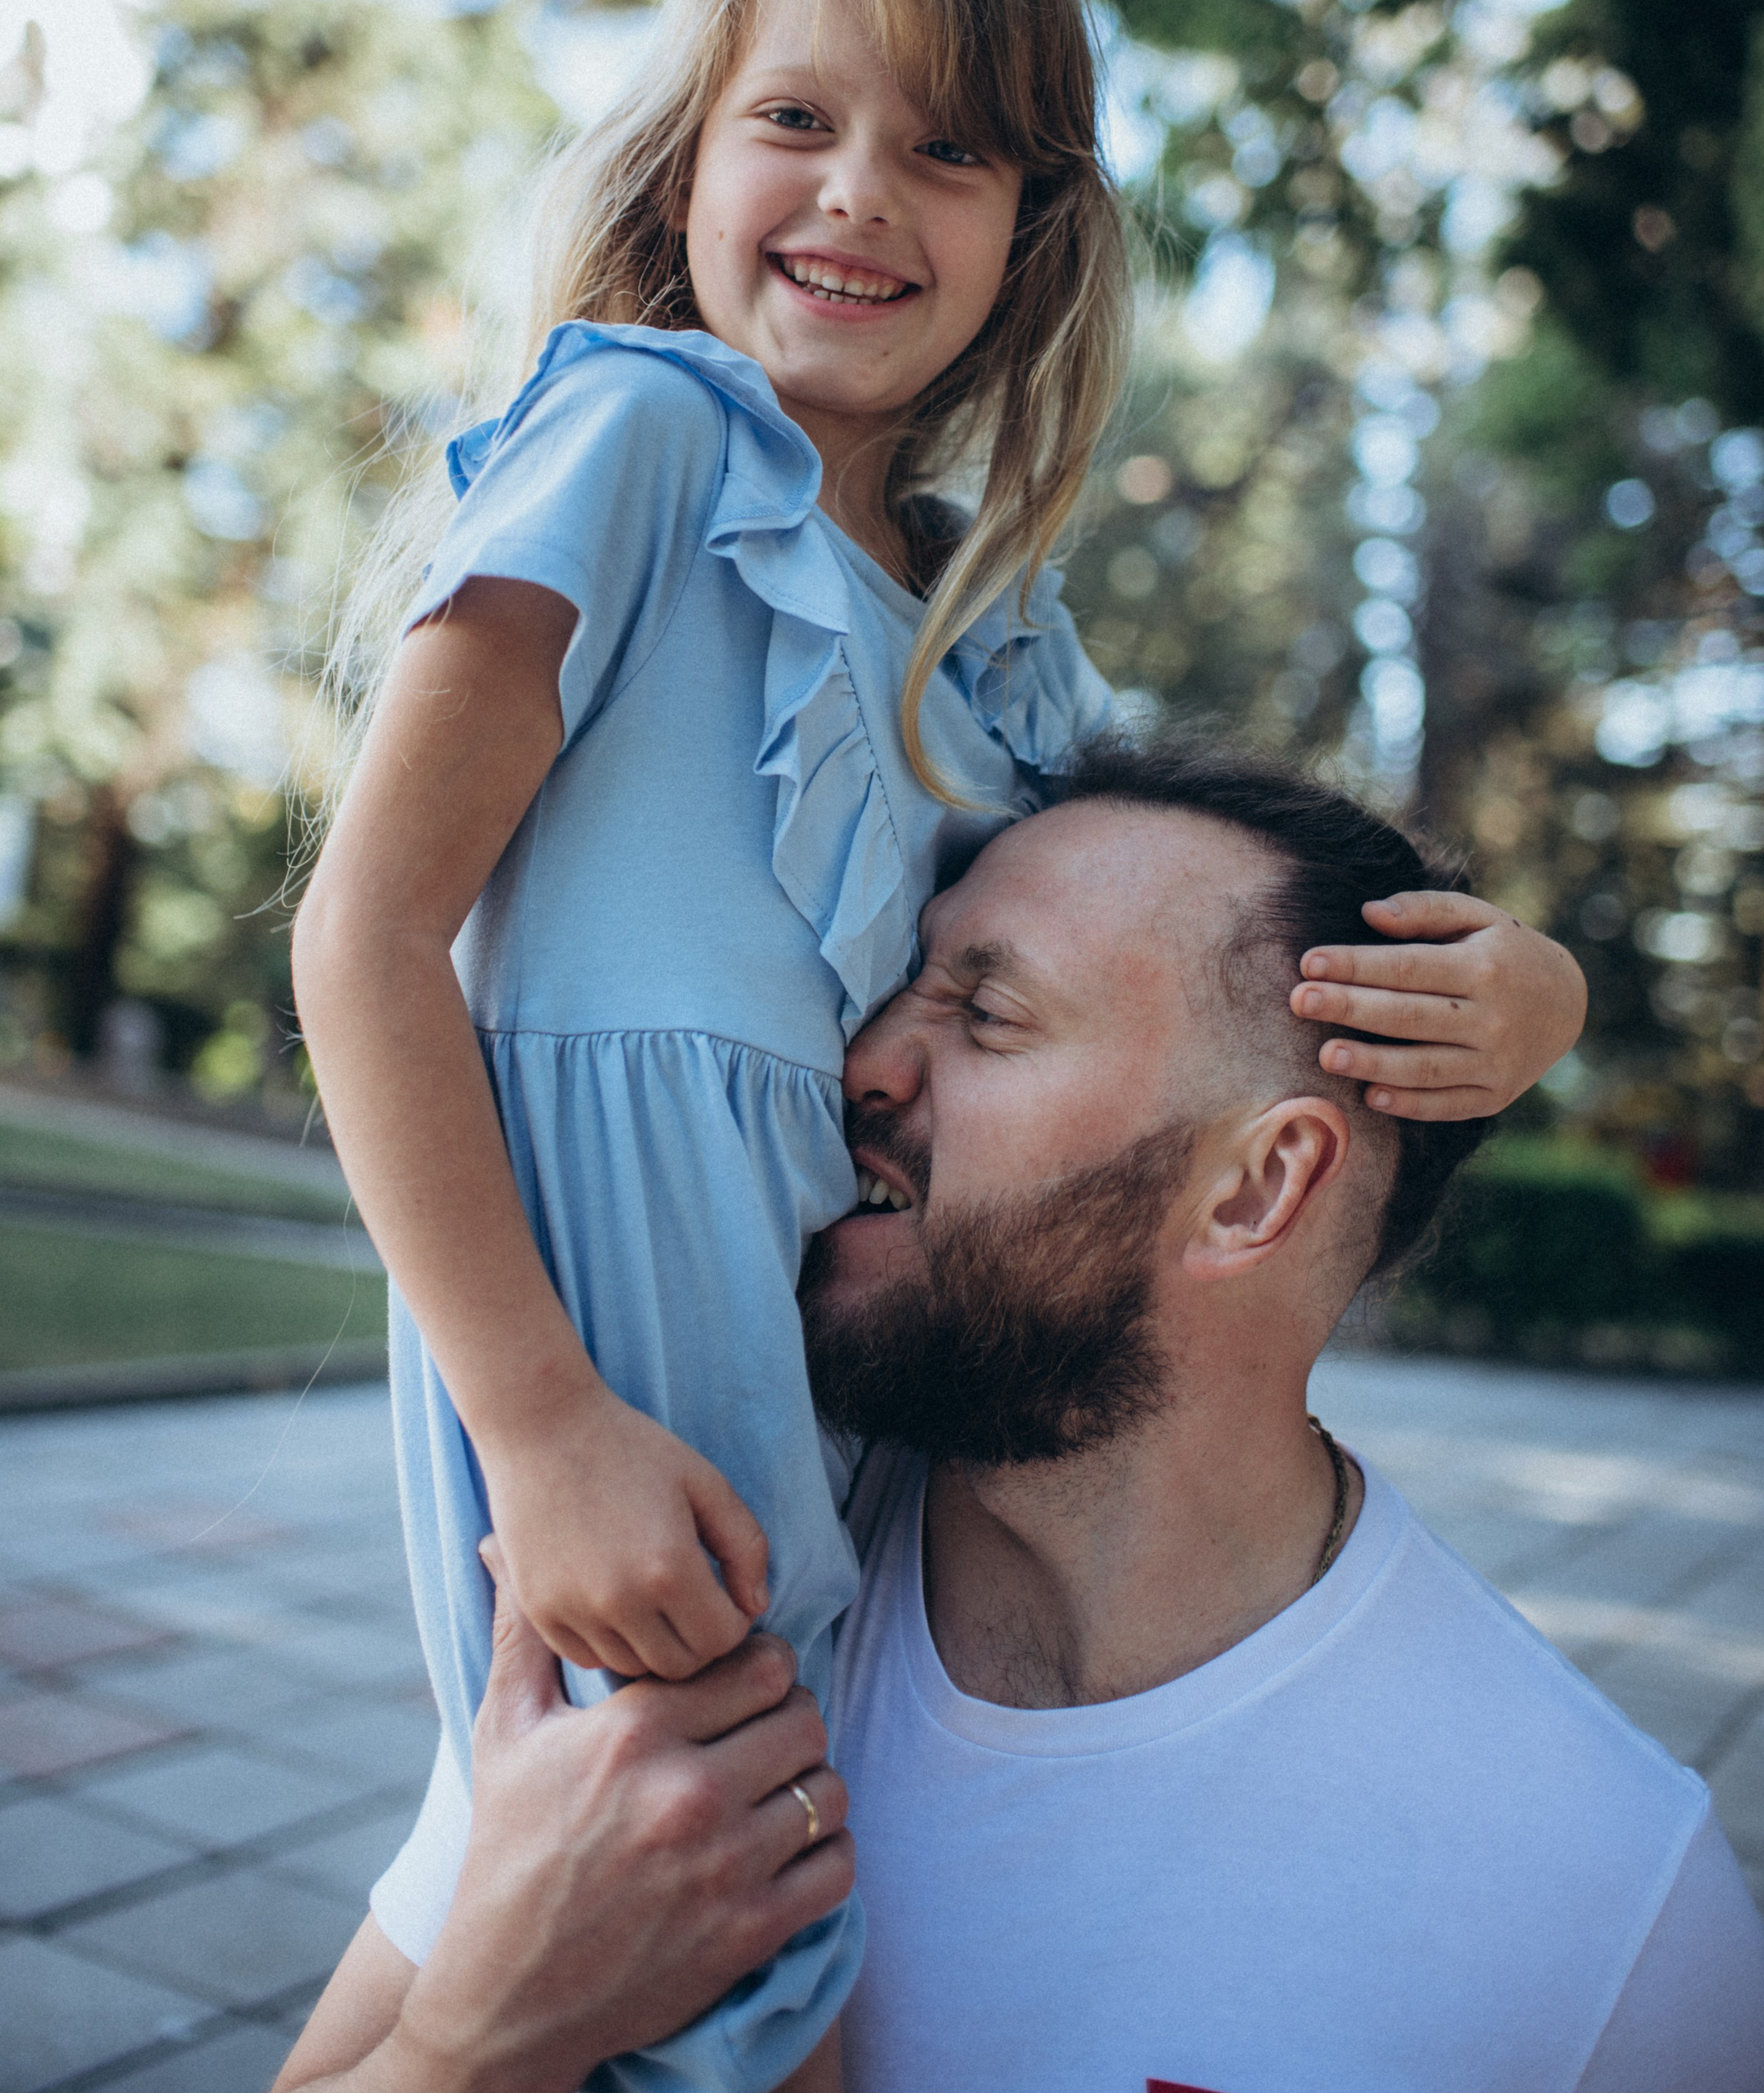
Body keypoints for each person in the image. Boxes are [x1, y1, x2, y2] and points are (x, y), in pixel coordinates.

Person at [291, 0, 1589, 2093]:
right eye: (797, 117)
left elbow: (1218, 950)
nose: (861, 194)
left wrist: (1533, 995)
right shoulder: (635, 434)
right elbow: (366, 934)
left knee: (534, 1929)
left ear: (1037, 233)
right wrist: (541, 1422)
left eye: (950, 149)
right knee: (726, 1990)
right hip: (622, 1444)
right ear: (693, 151)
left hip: (846, 1459)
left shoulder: (998, 657)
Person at [279, 741, 1762, 2093]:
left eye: (984, 1012)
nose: (859, 1062)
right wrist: (472, 2042)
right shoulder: (719, 1603)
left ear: (1254, 1189)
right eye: (892, 985)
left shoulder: (1602, 1910)